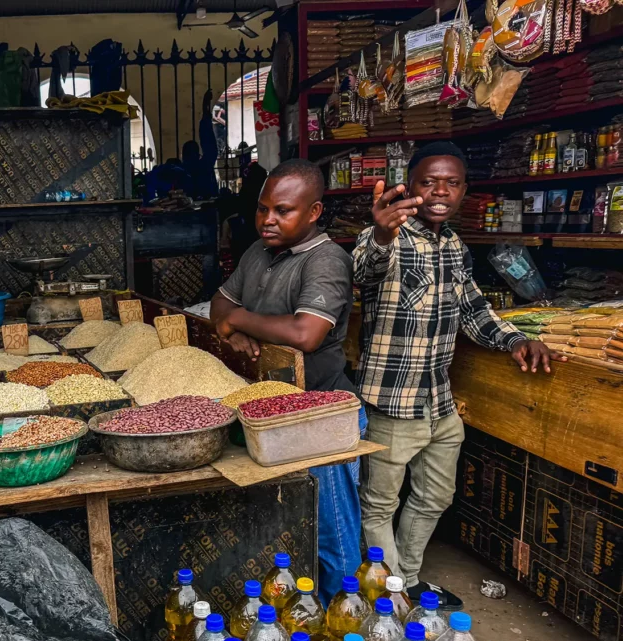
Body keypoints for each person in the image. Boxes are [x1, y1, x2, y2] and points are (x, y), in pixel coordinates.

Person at [352, 142, 563, 608]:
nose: (440, 191)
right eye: (429, 182)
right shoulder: (388, 236)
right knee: (379, 505)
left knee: (435, 497)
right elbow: (364, 270)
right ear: (412, 185)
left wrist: (514, 340)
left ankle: (404, 581)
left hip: (439, 403)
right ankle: (387, 600)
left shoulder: (454, 246)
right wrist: (382, 234)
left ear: (464, 190)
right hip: (392, 402)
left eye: (451, 182)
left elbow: (473, 310)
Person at [211, 159, 361, 605]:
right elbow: (218, 305)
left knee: (330, 530)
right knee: (284, 524)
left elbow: (306, 335)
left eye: (283, 210)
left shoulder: (327, 261)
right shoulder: (259, 252)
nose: (268, 220)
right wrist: (232, 326)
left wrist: (239, 321)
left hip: (322, 413)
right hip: (273, 412)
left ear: (314, 212)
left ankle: (345, 614)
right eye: (262, 210)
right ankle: (305, 611)